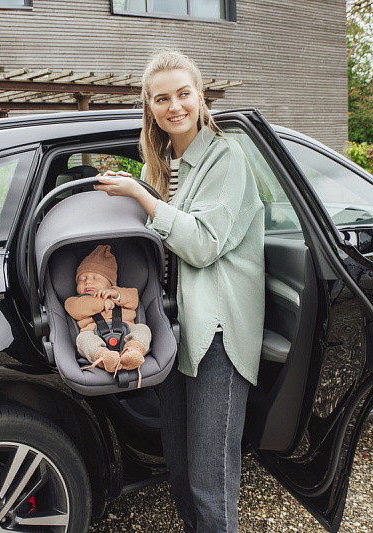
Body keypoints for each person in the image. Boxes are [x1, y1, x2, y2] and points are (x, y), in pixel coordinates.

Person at [93, 50, 265, 532]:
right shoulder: (162, 164)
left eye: (183, 94)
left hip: (216, 331)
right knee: (182, 466)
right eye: (162, 98)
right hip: (170, 328)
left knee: (210, 475)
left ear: (200, 95)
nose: (175, 106)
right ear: (149, 107)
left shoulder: (227, 156)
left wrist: (141, 196)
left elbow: (203, 245)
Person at [64, 244, 151, 386]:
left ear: (110, 283)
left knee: (142, 329)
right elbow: (74, 309)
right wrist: (101, 302)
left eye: (96, 278)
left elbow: (134, 298)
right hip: (94, 334)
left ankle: (134, 350)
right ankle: (103, 357)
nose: (88, 282)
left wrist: (115, 295)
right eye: (81, 279)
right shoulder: (74, 301)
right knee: (83, 339)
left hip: (127, 331)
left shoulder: (120, 293)